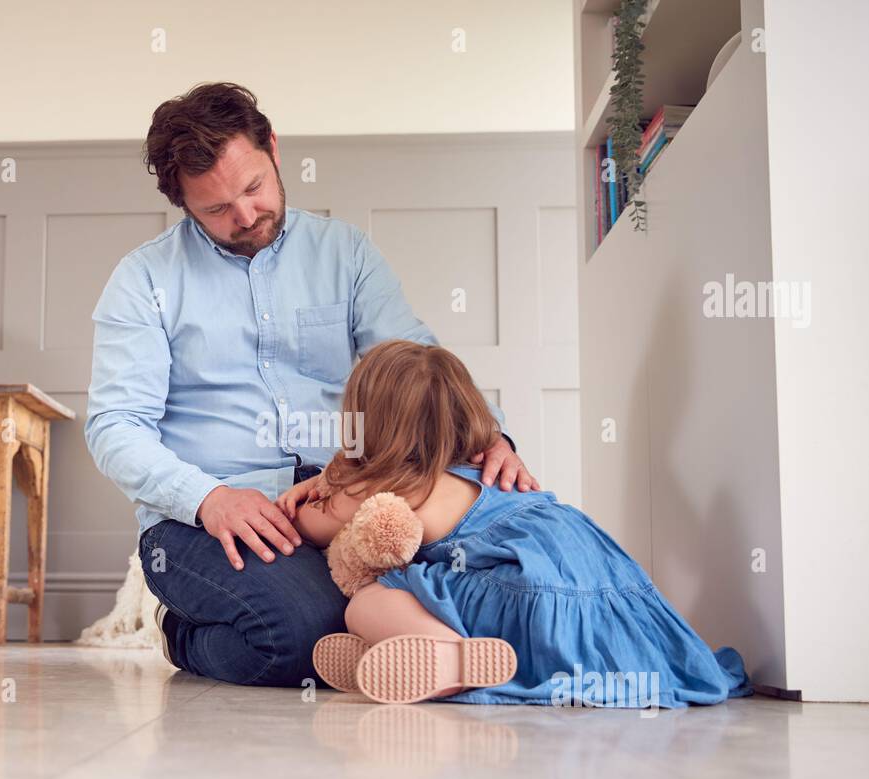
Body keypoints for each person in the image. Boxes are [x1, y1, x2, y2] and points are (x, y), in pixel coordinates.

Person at [85, 82, 538, 688]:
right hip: (205, 516)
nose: (245, 217)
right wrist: (209, 498)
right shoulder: (143, 279)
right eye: (217, 209)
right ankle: (181, 632)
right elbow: (115, 428)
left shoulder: (344, 253)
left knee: (481, 588)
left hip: (341, 493)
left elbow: (415, 356)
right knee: (304, 634)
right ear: (183, 204)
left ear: (273, 147)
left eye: (253, 188)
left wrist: (491, 435)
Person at [276, 340, 754, 707]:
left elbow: (304, 525)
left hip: (527, 590)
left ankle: (450, 657)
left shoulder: (384, 487)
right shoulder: (488, 468)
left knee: (366, 600)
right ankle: (396, 659)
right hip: (600, 581)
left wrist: (313, 486)